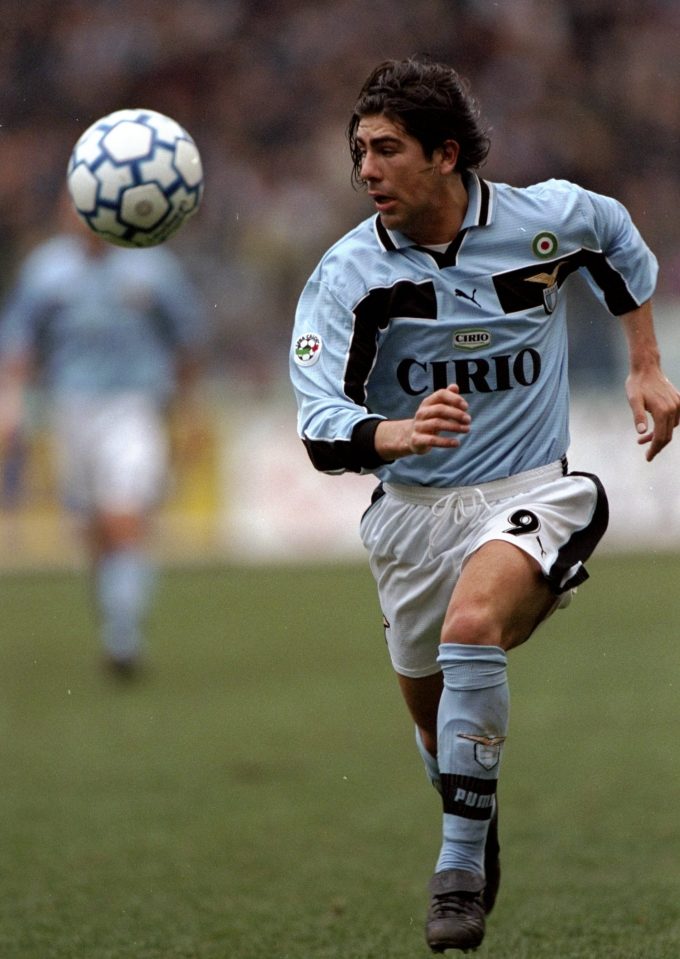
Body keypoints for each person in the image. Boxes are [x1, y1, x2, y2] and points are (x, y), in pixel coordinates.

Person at [289, 56, 680, 953]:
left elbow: (616, 237)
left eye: (387, 150)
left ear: (446, 155)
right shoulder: (350, 275)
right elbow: (317, 421)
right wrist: (394, 431)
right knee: (435, 722)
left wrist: (647, 362)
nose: (365, 171)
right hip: (413, 515)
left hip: (536, 490)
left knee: (473, 628)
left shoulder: (547, 219)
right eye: (359, 151)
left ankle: (457, 867)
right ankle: (472, 806)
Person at [0, 202, 207, 680]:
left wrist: (191, 411)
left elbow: (186, 339)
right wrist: (12, 406)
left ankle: (123, 640)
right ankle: (117, 621)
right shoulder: (47, 270)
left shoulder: (151, 266)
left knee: (124, 516)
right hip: (70, 409)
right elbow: (20, 341)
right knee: (94, 529)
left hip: (134, 407)